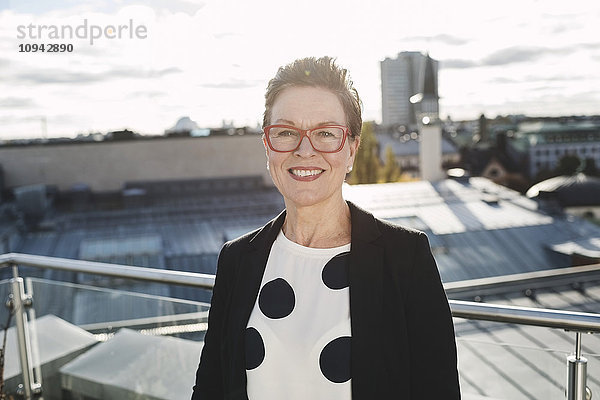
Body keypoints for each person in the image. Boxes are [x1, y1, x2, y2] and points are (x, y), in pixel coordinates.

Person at [192, 56, 461, 399]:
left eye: (325, 133)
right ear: (267, 145)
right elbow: (211, 388)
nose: (305, 150)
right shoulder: (237, 259)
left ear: (351, 150)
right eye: (287, 132)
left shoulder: (404, 259)